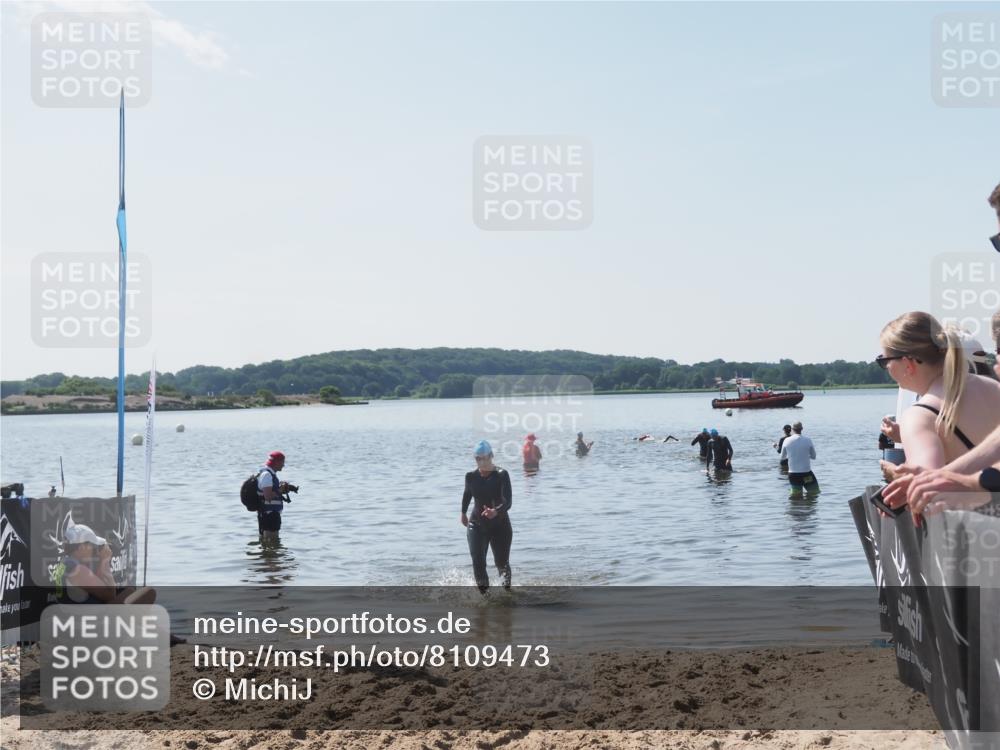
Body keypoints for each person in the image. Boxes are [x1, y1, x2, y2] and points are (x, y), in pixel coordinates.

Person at [883, 309, 1000, 518]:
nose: (886, 368)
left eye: (884, 361)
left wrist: (898, 482)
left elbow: (928, 497)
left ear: (908, 364)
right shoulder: (993, 387)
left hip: (977, 538)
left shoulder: (918, 417)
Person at [51, 524, 155, 605]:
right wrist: (105, 561)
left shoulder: (65, 563)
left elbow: (100, 586)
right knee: (148, 593)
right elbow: (110, 596)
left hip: (71, 614)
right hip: (85, 622)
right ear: (81, 547)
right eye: (92, 545)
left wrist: (102, 562)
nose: (94, 549)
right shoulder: (78, 570)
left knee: (128, 592)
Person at [461, 441, 512, 594]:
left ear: (491, 456)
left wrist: (495, 511)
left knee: (501, 563)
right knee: (478, 562)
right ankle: (485, 597)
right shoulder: (471, 476)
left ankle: (507, 592)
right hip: (476, 525)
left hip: (500, 525)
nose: (482, 462)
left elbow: (507, 501)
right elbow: (467, 494)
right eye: (478, 459)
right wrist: (463, 512)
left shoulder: (502, 475)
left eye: (484, 458)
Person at [257, 450, 293, 543]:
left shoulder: (269, 474)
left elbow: (271, 492)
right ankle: (270, 557)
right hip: (270, 514)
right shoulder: (267, 475)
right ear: (277, 462)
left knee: (270, 546)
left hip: (269, 514)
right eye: (282, 462)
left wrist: (282, 489)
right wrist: (280, 490)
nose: (283, 465)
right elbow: (268, 496)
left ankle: (267, 556)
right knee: (272, 542)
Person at [780, 422, 819, 495]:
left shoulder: (786, 440)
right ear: (802, 429)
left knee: (796, 495)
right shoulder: (808, 440)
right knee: (814, 492)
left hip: (793, 475)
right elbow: (814, 457)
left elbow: (782, 457)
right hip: (806, 474)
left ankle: (796, 506)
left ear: (792, 429)